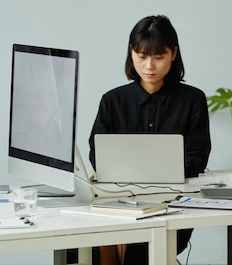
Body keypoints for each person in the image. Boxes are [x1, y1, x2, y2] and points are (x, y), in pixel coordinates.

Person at [88, 15, 211, 265]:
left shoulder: (192, 100)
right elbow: (96, 154)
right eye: (142, 56)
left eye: (158, 56)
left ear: (173, 54)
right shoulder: (112, 101)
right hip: (117, 201)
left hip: (172, 204)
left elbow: (197, 157)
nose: (149, 66)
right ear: (131, 54)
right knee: (85, 245)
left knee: (139, 251)